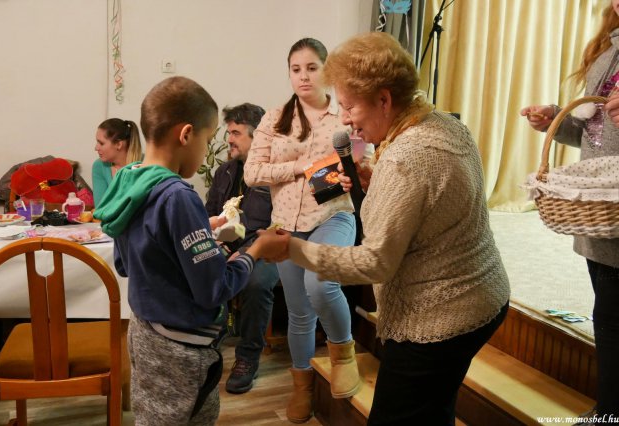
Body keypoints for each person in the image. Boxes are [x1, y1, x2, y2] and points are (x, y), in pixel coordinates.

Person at [261, 32, 511, 425]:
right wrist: (377, 180)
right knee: (434, 411)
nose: (344, 119)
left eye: (349, 106)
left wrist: (291, 249)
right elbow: (430, 205)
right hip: (484, 295)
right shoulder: (442, 124)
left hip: (442, 315)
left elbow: (374, 262)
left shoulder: (406, 158)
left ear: (383, 99)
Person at [93, 76, 284, 425]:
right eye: (207, 140)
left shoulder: (128, 180)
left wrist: (198, 229)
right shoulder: (178, 197)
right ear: (186, 135)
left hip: (146, 333)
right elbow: (215, 288)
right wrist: (256, 249)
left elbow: (127, 263)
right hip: (182, 349)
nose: (208, 149)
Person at [244, 38, 362, 423]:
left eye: (312, 68)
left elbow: (363, 162)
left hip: (333, 215)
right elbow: (252, 173)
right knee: (298, 312)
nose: (304, 76)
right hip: (286, 227)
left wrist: (347, 172)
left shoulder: (344, 116)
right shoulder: (275, 118)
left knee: (321, 285)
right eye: (296, 69)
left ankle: (343, 355)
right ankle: (303, 387)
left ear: (326, 70)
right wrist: (300, 168)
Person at [521, 2, 619, 420]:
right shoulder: (606, 49)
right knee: (608, 312)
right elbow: (592, 131)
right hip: (602, 204)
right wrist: (554, 122)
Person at [204, 103, 280, 394]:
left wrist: (248, 250)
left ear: (256, 136)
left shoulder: (274, 173)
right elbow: (209, 212)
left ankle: (247, 358)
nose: (229, 139)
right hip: (227, 245)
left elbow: (280, 223)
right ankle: (207, 342)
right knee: (197, 265)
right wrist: (210, 238)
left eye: (235, 133)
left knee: (255, 282)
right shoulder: (225, 171)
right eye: (229, 132)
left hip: (268, 248)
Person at [92, 118, 142, 206]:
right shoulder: (99, 166)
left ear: (118, 144)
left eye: (101, 143)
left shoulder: (146, 164)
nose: (96, 148)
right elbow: (100, 207)